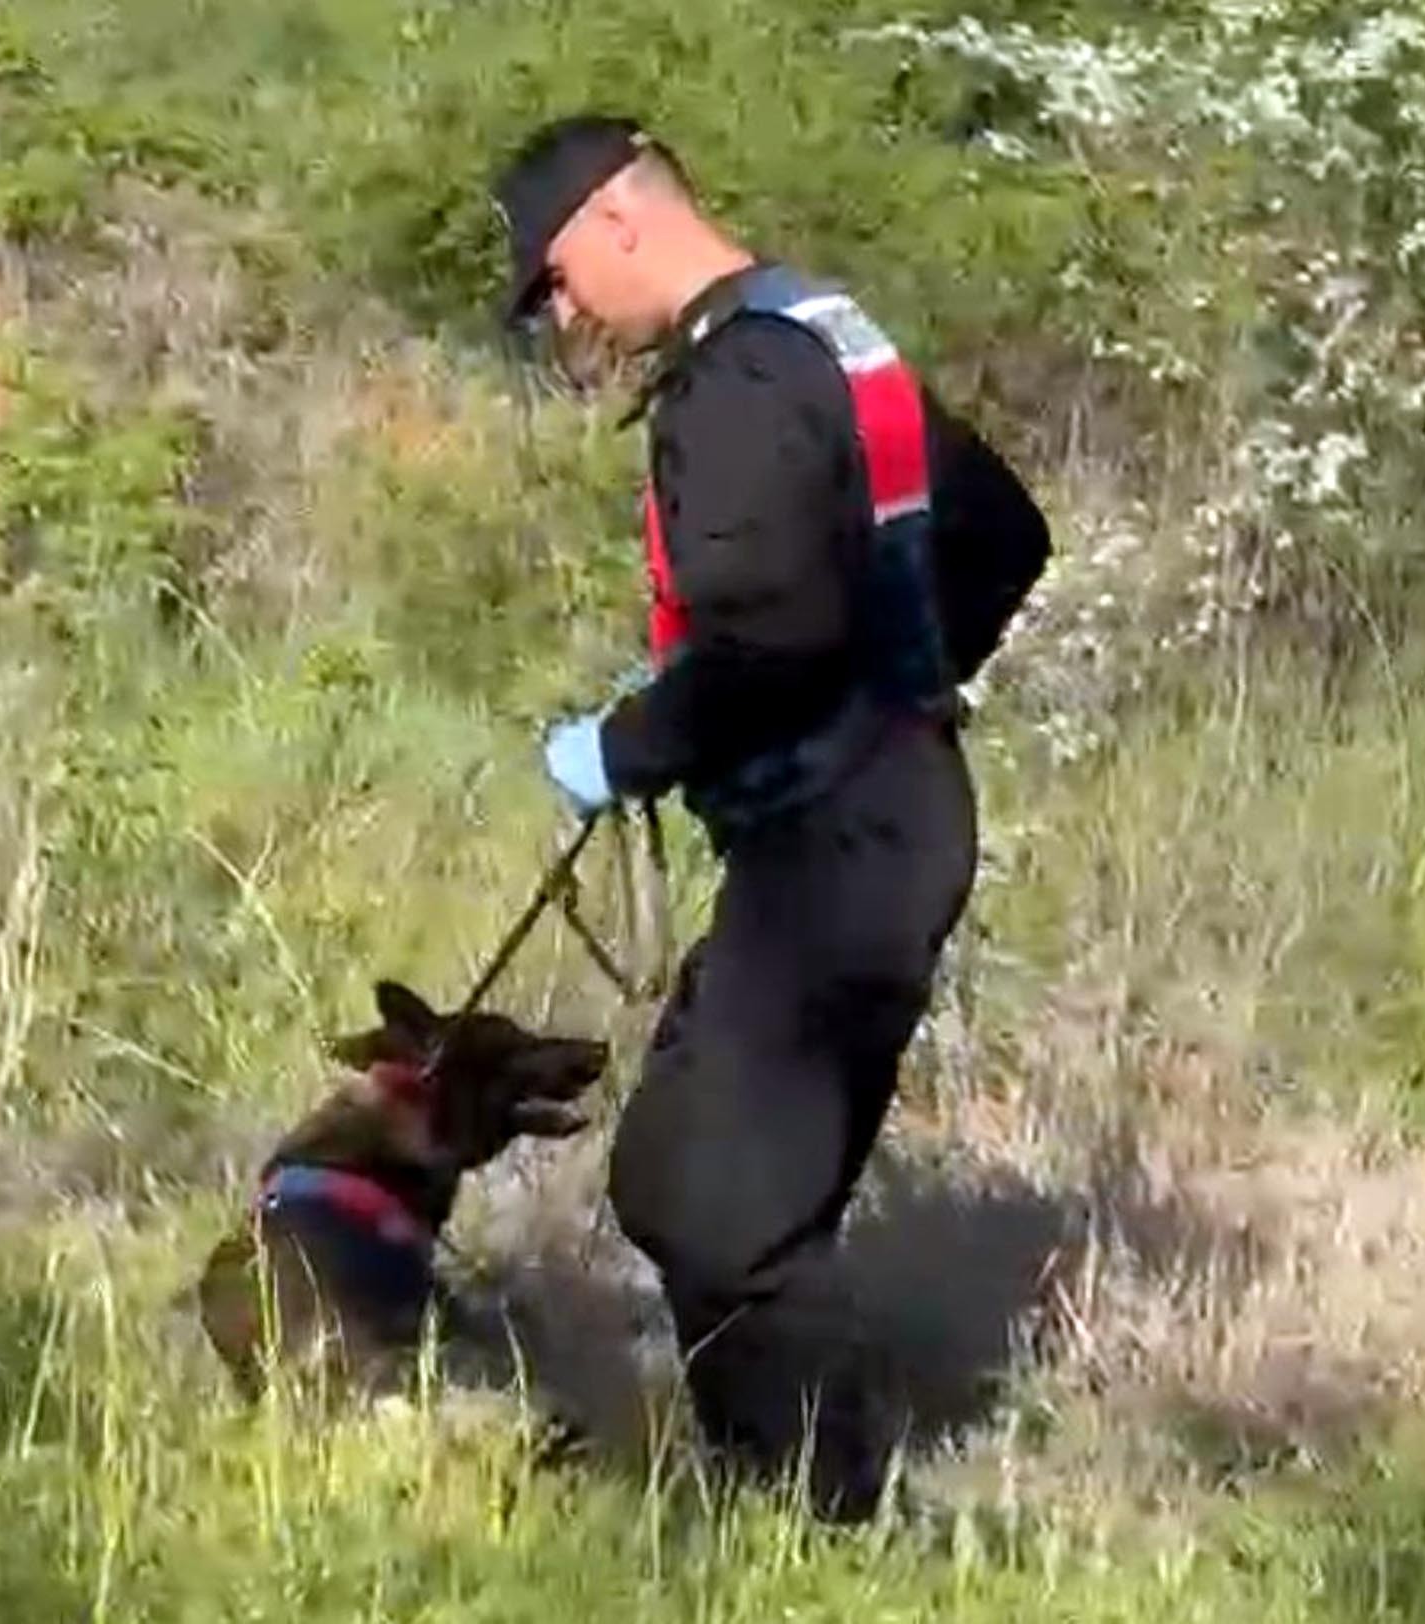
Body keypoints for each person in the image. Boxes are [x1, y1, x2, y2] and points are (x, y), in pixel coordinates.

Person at [490, 115, 1048, 1522]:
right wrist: (904, 677)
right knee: (698, 1174)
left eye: (553, 280)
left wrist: (624, 747)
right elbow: (1000, 534)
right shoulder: (827, 334)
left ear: (618, 221)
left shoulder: (734, 387)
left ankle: (826, 1516)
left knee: (711, 1201)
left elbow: (765, 646)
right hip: (884, 815)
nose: (563, 316)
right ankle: (773, 1492)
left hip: (839, 848)